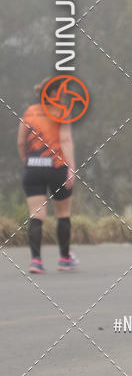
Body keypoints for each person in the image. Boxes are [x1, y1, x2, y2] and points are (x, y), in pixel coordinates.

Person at [17, 77, 79, 273]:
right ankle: (64, 259)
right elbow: (66, 140)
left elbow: (20, 142)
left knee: (36, 215)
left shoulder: (29, 112)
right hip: (56, 168)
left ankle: (36, 261)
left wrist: (27, 162)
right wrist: (72, 167)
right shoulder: (62, 111)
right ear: (53, 93)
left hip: (32, 168)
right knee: (63, 214)